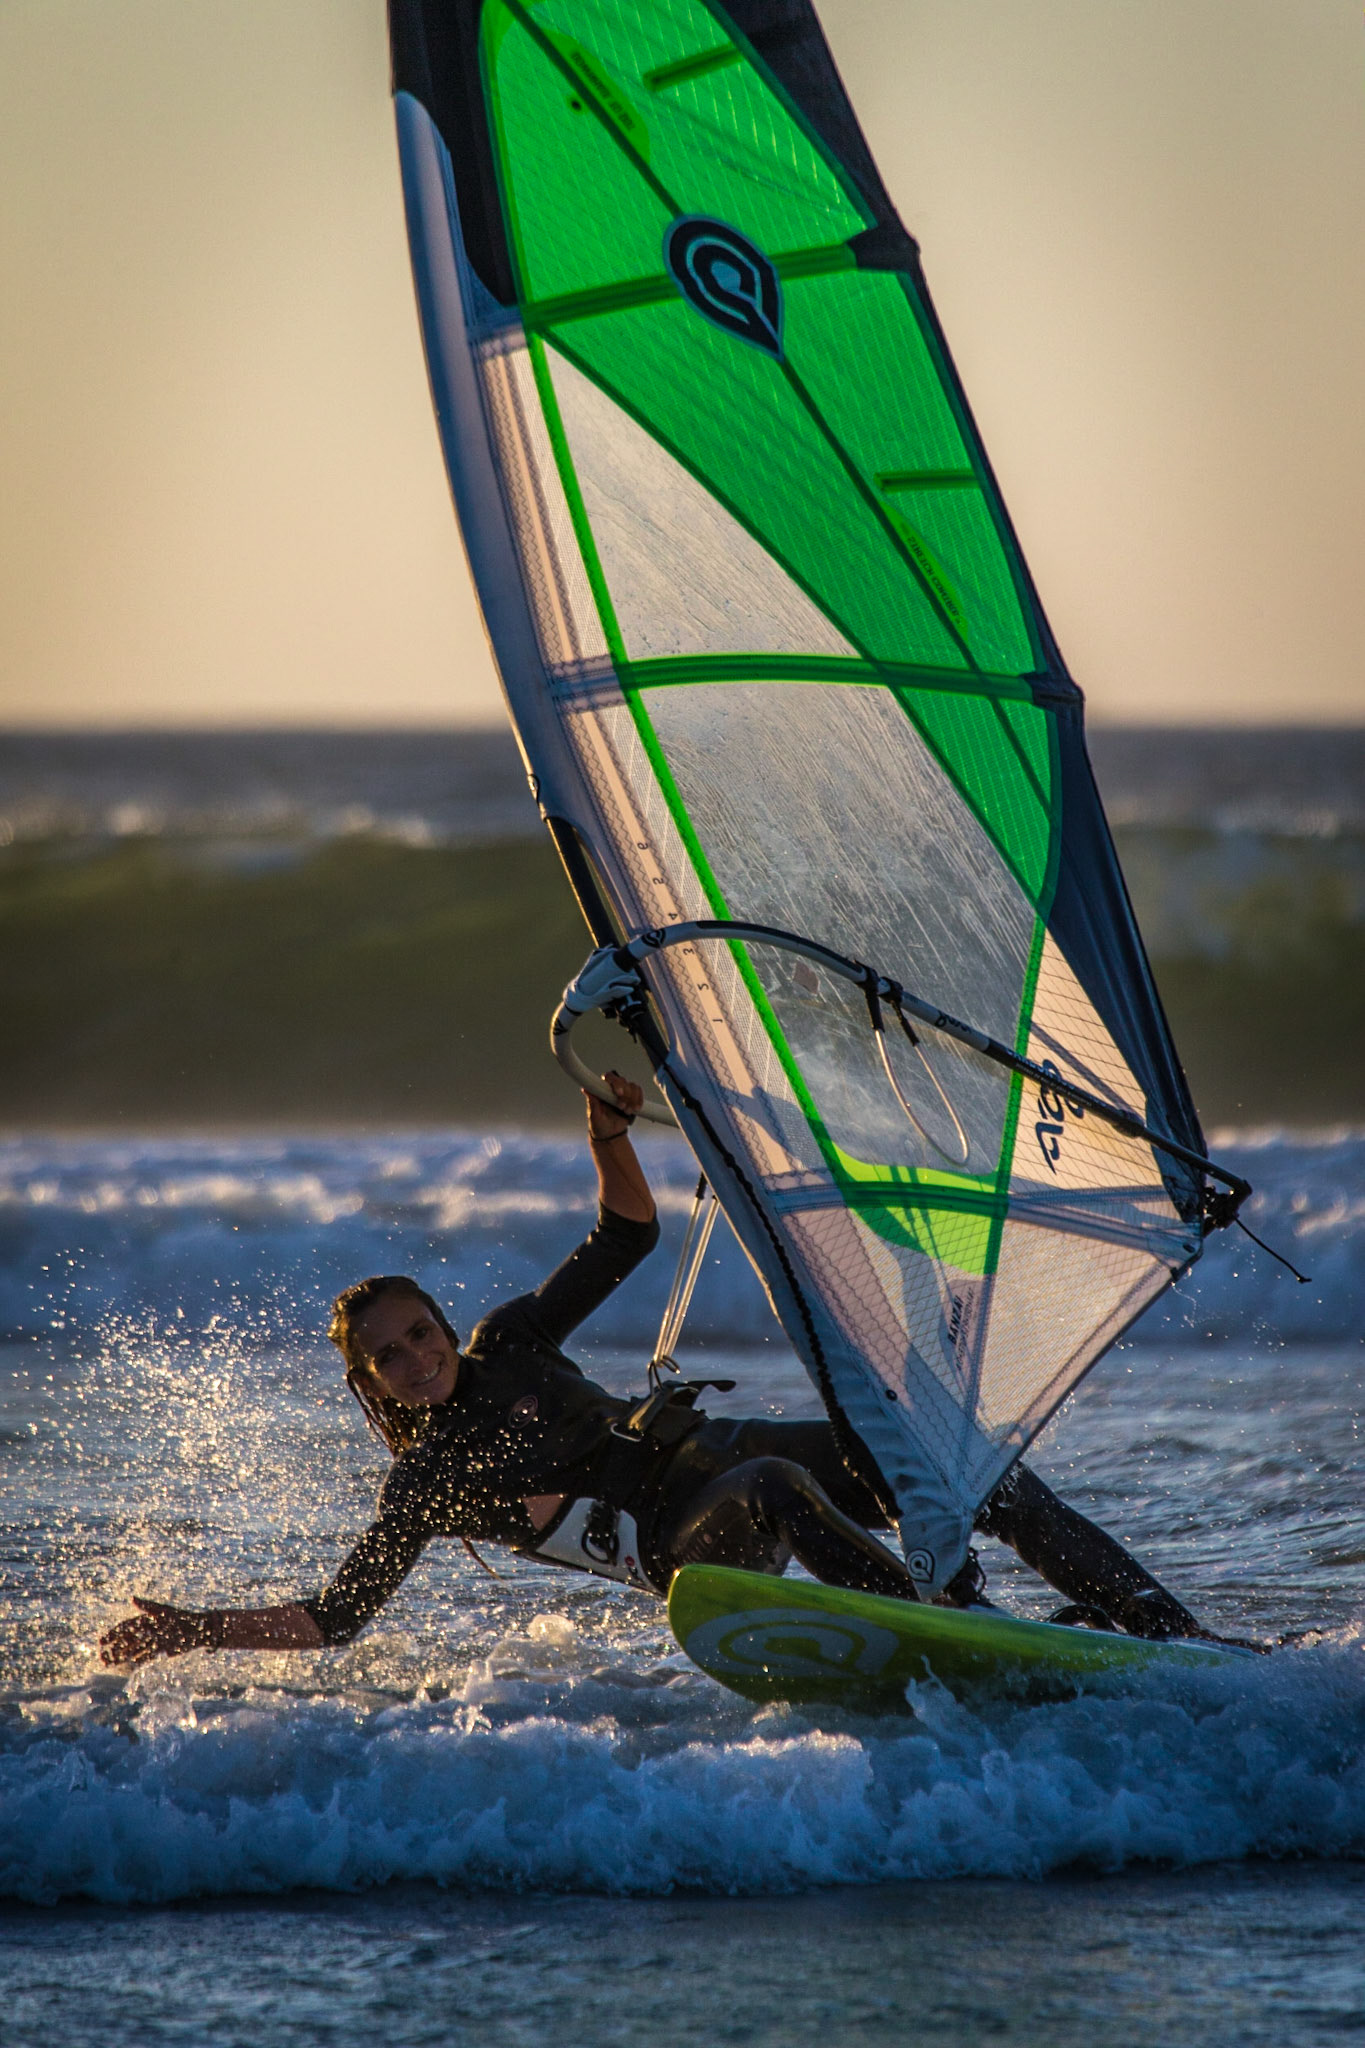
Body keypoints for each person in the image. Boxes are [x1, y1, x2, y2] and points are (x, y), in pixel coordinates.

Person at [100, 1072, 1206, 1668]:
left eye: (419, 1333)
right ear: (373, 1384)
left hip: (728, 1454)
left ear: (443, 1324)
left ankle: (1174, 1638)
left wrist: (609, 1133)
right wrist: (189, 1627)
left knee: (964, 1469)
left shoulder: (511, 1344)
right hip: (687, 1543)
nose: (415, 1358)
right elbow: (334, 1619)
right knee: (779, 1492)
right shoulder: (421, 1482)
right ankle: (948, 1623)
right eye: (388, 1357)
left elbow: (625, 1235)